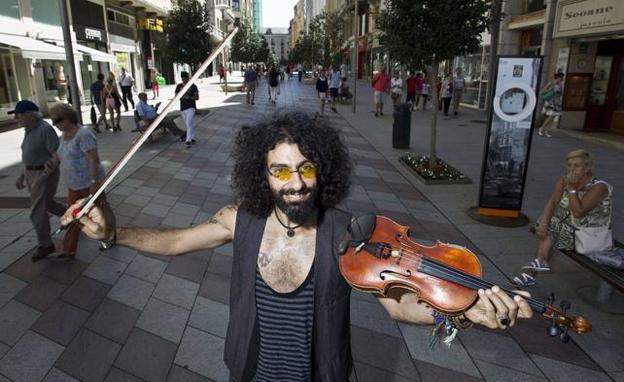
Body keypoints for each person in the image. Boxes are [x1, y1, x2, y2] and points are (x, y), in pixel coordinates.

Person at [63, 112, 531, 381]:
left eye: (306, 168)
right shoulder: (239, 221)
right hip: (250, 372)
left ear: (322, 170)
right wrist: (114, 235)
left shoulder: (350, 235)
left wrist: (462, 309)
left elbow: (401, 304)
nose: (295, 182)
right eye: (280, 170)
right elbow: (176, 242)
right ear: (262, 175)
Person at [513, 150, 612, 287]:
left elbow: (578, 212)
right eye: (569, 165)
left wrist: (572, 189)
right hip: (569, 230)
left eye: (576, 166)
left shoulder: (600, 187)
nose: (571, 169)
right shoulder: (563, 180)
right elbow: (553, 201)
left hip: (591, 237)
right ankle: (537, 266)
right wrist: (543, 223)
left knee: (554, 225)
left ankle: (534, 270)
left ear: (587, 168)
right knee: (548, 223)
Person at [49, 103, 108, 260]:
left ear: (69, 118)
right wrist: (48, 166)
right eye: (53, 120)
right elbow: (58, 156)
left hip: (89, 183)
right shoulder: (64, 136)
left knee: (101, 213)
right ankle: (68, 250)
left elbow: (93, 159)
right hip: (74, 184)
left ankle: (109, 237)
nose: (55, 124)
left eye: (58, 119)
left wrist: (94, 183)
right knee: (72, 215)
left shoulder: (83, 134)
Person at [11, 100, 65, 261]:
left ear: (30, 115)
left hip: (43, 174)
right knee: (48, 204)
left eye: (19, 114)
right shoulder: (29, 129)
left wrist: (43, 177)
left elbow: (56, 156)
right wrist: (22, 175)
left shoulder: (44, 129)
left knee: (37, 211)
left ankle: (46, 244)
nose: (16, 117)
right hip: (31, 173)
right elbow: (29, 155)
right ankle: (75, 218)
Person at [175, 71, 199, 148]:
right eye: (183, 78)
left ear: (188, 78)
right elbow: (176, 96)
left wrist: (189, 97)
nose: (184, 80)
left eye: (185, 78)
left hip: (191, 107)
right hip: (183, 108)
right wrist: (181, 96)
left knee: (188, 123)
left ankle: (188, 140)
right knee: (189, 124)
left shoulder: (193, 86)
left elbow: (197, 97)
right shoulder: (179, 86)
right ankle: (192, 137)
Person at [538, 72, 564, 138]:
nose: (561, 79)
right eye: (560, 77)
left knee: (553, 117)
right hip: (551, 102)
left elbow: (560, 94)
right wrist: (550, 89)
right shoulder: (551, 83)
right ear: (557, 77)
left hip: (557, 103)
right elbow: (542, 91)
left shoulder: (561, 84)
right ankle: (541, 128)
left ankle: (546, 131)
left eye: (561, 78)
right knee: (550, 117)